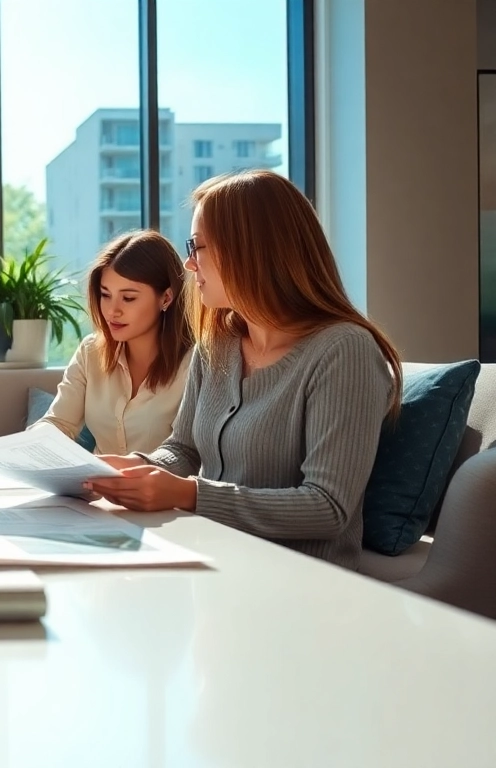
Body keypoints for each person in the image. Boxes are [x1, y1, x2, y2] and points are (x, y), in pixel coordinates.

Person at [84, 169, 401, 570]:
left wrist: (189, 494)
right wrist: (140, 467)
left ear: (248, 251)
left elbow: (327, 506)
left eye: (197, 246)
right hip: (210, 555)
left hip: (299, 581)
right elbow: (184, 449)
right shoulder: (217, 345)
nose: (188, 263)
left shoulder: (343, 351)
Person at [29, 229, 193, 454]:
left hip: (161, 488)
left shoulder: (196, 362)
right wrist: (25, 447)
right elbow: (58, 423)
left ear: (166, 297)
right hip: (96, 487)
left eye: (128, 298)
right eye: (105, 294)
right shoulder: (91, 352)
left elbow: (189, 454)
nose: (112, 311)